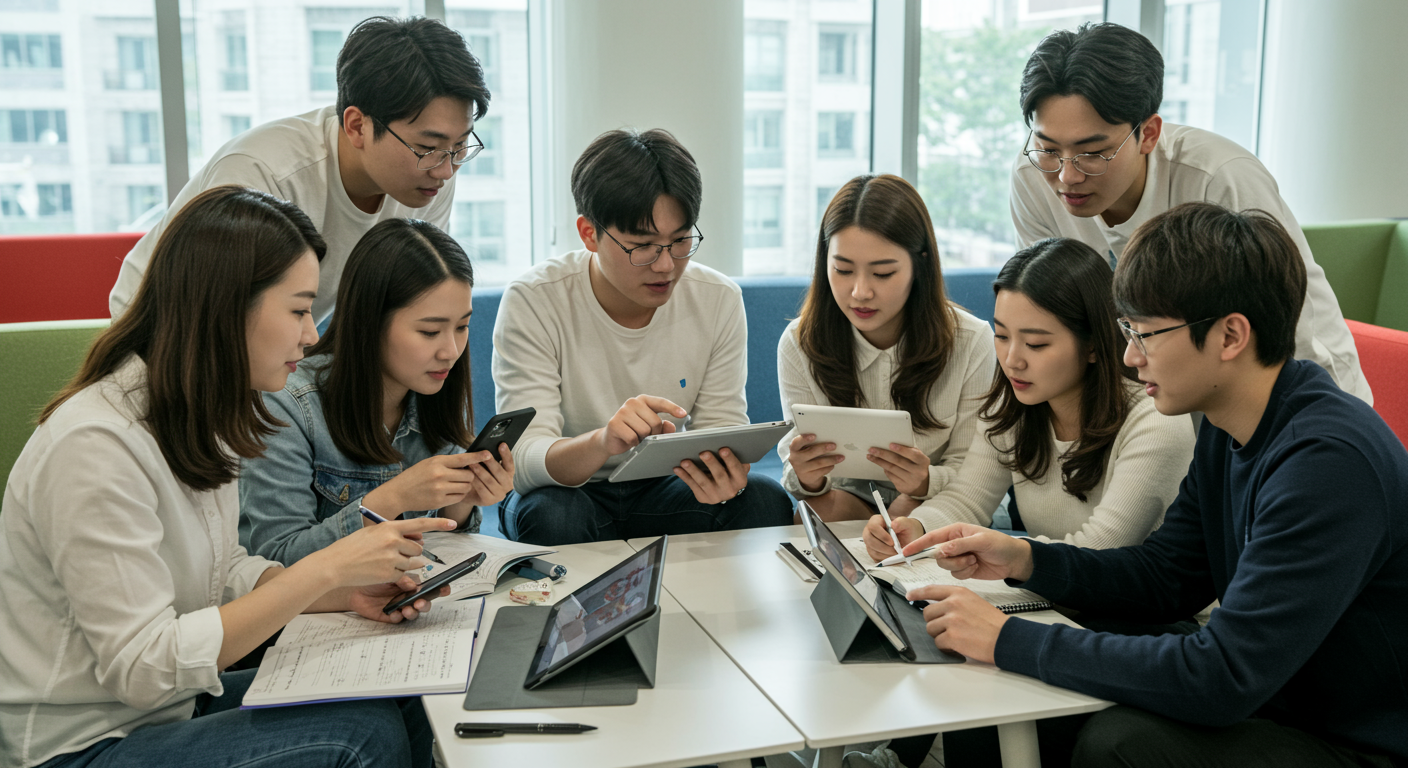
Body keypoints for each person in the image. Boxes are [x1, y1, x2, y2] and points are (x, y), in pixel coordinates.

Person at [902, 203, 1408, 768]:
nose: (1128, 356)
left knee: (1118, 742)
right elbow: (1165, 576)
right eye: (1126, 331)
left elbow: (1223, 677)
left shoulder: (1327, 463)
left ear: (1230, 335)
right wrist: (1023, 559)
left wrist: (1006, 639)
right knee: (1012, 679)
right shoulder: (1230, 423)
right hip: (1280, 702)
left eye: (1144, 334)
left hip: (1354, 742)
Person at [0, 186, 456, 768]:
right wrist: (323, 569)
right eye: (297, 310)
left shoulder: (200, 414)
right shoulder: (96, 446)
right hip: (78, 746)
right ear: (226, 308)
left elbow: (224, 573)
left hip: (162, 711)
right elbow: (144, 668)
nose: (312, 334)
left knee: (403, 690)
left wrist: (342, 593)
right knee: (358, 735)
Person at [1008, 22, 1371, 404]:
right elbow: (1055, 314)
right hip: (1154, 396)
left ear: (1148, 134)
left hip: (1288, 395)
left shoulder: (1219, 178)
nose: (1067, 175)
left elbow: (1285, 332)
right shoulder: (1032, 177)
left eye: (1094, 153)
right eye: (1048, 148)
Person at [493, 128, 793, 545]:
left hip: (665, 487)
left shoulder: (718, 299)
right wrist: (602, 442)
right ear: (589, 233)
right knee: (552, 514)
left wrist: (724, 472)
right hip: (569, 491)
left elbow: (722, 426)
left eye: (681, 241)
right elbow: (522, 461)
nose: (666, 265)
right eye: (643, 245)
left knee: (763, 499)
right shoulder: (535, 300)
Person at [109, 16, 491, 325]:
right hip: (174, 328)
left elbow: (401, 303)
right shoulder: (265, 174)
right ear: (357, 126)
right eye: (427, 147)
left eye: (459, 146)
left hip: (279, 344)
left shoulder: (428, 176)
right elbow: (223, 317)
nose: (446, 170)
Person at [861, 237, 1195, 558]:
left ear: (1092, 344)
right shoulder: (1015, 405)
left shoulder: (1153, 421)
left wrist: (1008, 561)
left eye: (1035, 344)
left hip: (1139, 611)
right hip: (1057, 598)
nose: (1012, 360)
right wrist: (916, 530)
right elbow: (967, 499)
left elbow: (1101, 550)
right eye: (1002, 336)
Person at [239, 218, 513, 566]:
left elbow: (439, 550)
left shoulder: (434, 386)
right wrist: (392, 499)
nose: (451, 351)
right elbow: (275, 560)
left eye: (462, 327)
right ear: (370, 323)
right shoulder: (287, 402)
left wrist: (463, 500)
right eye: (430, 332)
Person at [778, 174, 996, 523]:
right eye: (843, 270)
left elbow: (976, 474)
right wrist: (808, 475)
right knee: (813, 519)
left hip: (943, 496)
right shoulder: (800, 342)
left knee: (905, 519)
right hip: (852, 495)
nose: (860, 292)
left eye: (882, 274)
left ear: (919, 265)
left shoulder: (971, 341)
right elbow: (802, 473)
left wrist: (924, 482)